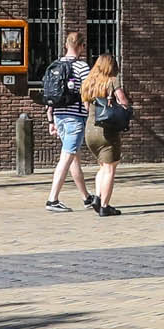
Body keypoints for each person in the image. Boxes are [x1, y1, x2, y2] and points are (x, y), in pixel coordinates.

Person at [41, 29, 94, 214]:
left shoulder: (55, 65)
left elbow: (50, 95)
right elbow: (87, 94)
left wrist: (50, 121)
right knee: (66, 158)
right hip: (75, 118)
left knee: (74, 159)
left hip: (59, 116)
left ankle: (87, 198)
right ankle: (52, 199)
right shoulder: (82, 67)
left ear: (66, 45)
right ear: (81, 46)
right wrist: (92, 116)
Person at [81, 50, 129, 216]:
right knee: (110, 169)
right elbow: (122, 100)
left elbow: (87, 108)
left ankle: (97, 197)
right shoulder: (112, 81)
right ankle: (105, 206)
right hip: (107, 132)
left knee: (102, 167)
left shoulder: (89, 83)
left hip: (90, 131)